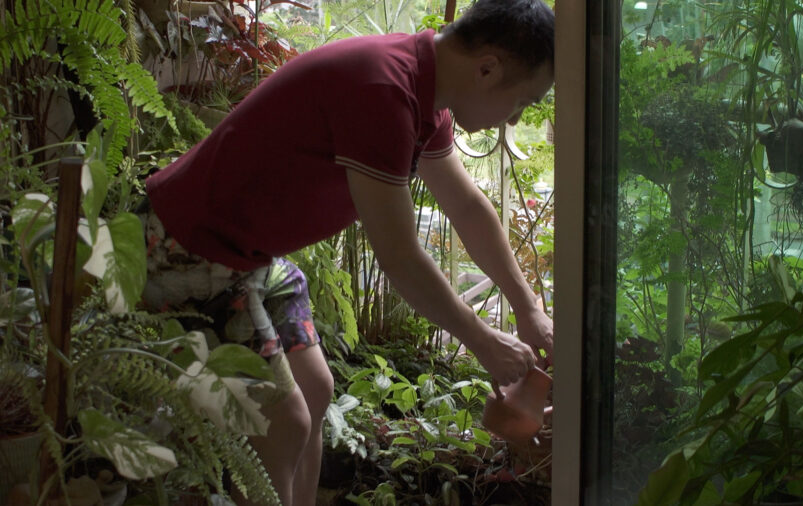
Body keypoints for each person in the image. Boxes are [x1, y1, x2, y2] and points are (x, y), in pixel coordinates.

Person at [140, 0, 555, 503]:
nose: (515, 119)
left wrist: (528, 307)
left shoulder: (426, 94)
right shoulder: (382, 90)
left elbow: (466, 207)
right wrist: (483, 341)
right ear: (487, 67)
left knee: (314, 391)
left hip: (249, 257)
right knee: (281, 422)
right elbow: (399, 256)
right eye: (523, 103)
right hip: (185, 247)